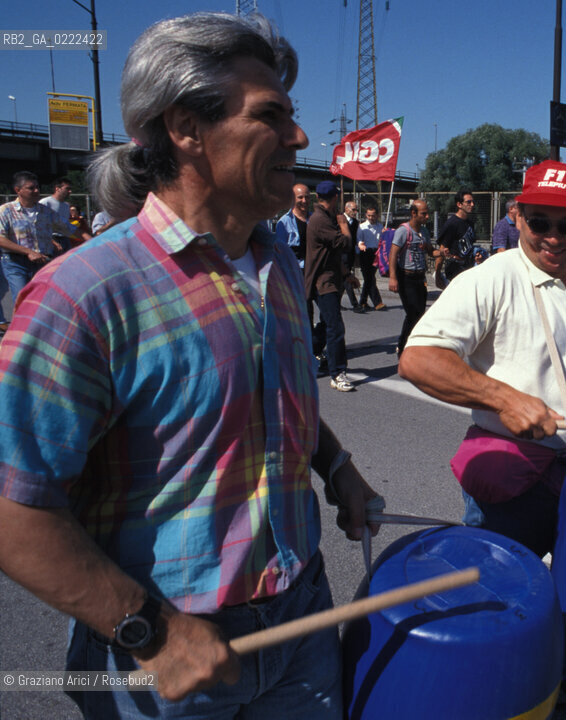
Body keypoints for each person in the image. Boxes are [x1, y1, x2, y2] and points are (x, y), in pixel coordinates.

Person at [0, 13, 381, 717]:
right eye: (271, 116)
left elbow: (272, 399)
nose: (299, 138)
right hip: (167, 656)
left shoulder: (276, 264)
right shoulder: (82, 294)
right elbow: (15, 512)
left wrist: (336, 465)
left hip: (302, 622)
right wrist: (148, 631)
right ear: (186, 128)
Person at [399, 159, 566, 557]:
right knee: (503, 603)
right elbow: (418, 359)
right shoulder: (490, 278)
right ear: (518, 218)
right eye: (540, 223)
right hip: (510, 484)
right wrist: (505, 399)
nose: (553, 238)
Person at [0, 171, 90, 301]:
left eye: (38, 187)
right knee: (22, 298)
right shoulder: (6, 211)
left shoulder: (45, 211)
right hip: (16, 262)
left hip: (42, 260)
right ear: (18, 190)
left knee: (43, 299)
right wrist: (28, 252)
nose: (37, 191)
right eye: (31, 188)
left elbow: (70, 229)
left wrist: (95, 241)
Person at [305, 180, 357, 391]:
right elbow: (344, 243)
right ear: (335, 197)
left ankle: (307, 355)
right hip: (323, 282)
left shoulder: (324, 217)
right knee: (336, 327)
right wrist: (344, 225)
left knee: (326, 323)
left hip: (331, 278)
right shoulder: (320, 220)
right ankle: (338, 373)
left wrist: (346, 274)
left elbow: (331, 254)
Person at [388, 198, 434, 356]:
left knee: (420, 313)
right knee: (413, 312)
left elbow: (431, 251)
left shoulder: (425, 232)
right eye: (424, 214)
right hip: (405, 278)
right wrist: (393, 278)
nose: (427, 217)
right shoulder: (403, 231)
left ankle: (413, 346)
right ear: (413, 213)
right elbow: (393, 254)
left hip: (420, 278)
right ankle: (402, 347)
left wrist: (440, 252)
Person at [436, 189, 477, 284]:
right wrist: (438, 276)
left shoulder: (470, 223)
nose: (472, 205)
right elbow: (441, 250)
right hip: (455, 267)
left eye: (473, 202)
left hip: (468, 265)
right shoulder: (452, 224)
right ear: (459, 204)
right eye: (468, 202)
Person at [356, 205, 386, 310]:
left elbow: (382, 240)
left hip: (375, 253)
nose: (370, 218)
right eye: (368, 215)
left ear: (376, 216)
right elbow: (359, 239)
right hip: (365, 253)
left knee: (370, 278)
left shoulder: (380, 227)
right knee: (369, 278)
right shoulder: (362, 227)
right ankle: (377, 303)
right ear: (366, 215)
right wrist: (361, 245)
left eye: (373, 216)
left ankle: (363, 302)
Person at [276, 182, 310, 268]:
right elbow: (281, 252)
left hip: (313, 268)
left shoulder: (314, 219)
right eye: (300, 197)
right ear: (292, 199)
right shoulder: (283, 223)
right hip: (295, 268)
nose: (304, 201)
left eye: (307, 197)